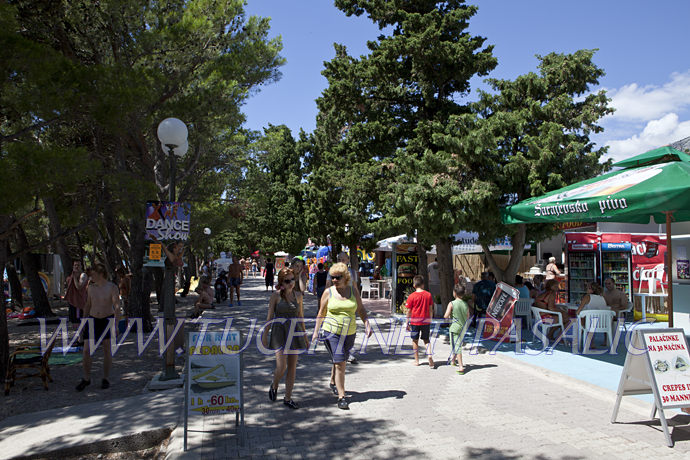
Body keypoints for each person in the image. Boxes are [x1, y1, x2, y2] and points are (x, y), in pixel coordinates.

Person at [312, 262, 371, 410]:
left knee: (340, 361)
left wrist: (367, 324)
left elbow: (361, 309)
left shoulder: (353, 291)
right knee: (340, 363)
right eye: (332, 277)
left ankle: (333, 381)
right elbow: (321, 313)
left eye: (337, 277)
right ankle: (342, 396)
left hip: (349, 332)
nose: (334, 280)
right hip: (331, 331)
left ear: (345, 277)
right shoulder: (328, 292)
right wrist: (315, 332)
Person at [263, 268, 308, 409]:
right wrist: (265, 335)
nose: (291, 283)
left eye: (292, 280)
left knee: (292, 367)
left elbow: (301, 317)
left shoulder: (298, 296)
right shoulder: (275, 296)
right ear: (281, 282)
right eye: (287, 281)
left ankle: (288, 398)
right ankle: (274, 384)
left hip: (295, 331)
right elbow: (269, 317)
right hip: (279, 332)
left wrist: (305, 336)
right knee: (281, 366)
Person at [76, 264, 121, 391]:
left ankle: (105, 378)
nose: (91, 276)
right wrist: (83, 321)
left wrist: (116, 324)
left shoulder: (112, 287)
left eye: (93, 274)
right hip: (93, 319)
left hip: (107, 319)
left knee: (107, 349)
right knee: (86, 350)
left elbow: (117, 306)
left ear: (100, 274)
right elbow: (88, 305)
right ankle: (86, 378)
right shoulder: (90, 287)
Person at [325, 252, 360, 363]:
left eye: (343, 259)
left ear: (348, 260)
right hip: (336, 302)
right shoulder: (332, 271)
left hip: (348, 303)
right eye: (339, 259)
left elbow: (355, 287)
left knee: (349, 328)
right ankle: (340, 355)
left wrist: (357, 303)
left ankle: (346, 353)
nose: (341, 261)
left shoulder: (352, 273)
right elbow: (328, 286)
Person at [405, 275, 435, 368]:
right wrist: (430, 318)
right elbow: (431, 309)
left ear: (414, 285)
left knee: (415, 340)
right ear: (423, 285)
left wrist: (407, 322)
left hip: (415, 322)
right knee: (426, 340)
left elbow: (408, 311)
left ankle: (417, 360)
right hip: (426, 321)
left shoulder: (411, 296)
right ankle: (429, 355)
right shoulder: (428, 295)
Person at [444, 284, 470, 374]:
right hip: (463, 327)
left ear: (454, 293)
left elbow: (446, 316)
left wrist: (449, 317)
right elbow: (468, 316)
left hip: (454, 328)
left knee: (456, 346)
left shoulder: (452, 303)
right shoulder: (465, 304)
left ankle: (461, 366)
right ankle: (453, 360)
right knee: (458, 343)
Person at [65, 260, 88, 328]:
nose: (76, 267)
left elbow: (79, 287)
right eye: (75, 265)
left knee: (80, 322)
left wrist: (74, 277)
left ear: (81, 266)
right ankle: (79, 337)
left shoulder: (83, 275)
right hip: (73, 301)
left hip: (80, 301)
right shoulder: (71, 276)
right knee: (74, 323)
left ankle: (81, 337)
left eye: (78, 265)